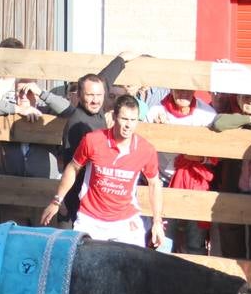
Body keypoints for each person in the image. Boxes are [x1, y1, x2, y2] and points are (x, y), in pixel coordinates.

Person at [39, 94, 164, 248]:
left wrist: (157, 222)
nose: (128, 125)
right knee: (80, 265)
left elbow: (154, 183)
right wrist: (57, 201)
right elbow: (73, 167)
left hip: (125, 219)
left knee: (133, 266)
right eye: (124, 119)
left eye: (133, 120)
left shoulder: (145, 149)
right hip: (91, 217)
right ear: (114, 116)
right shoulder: (93, 140)